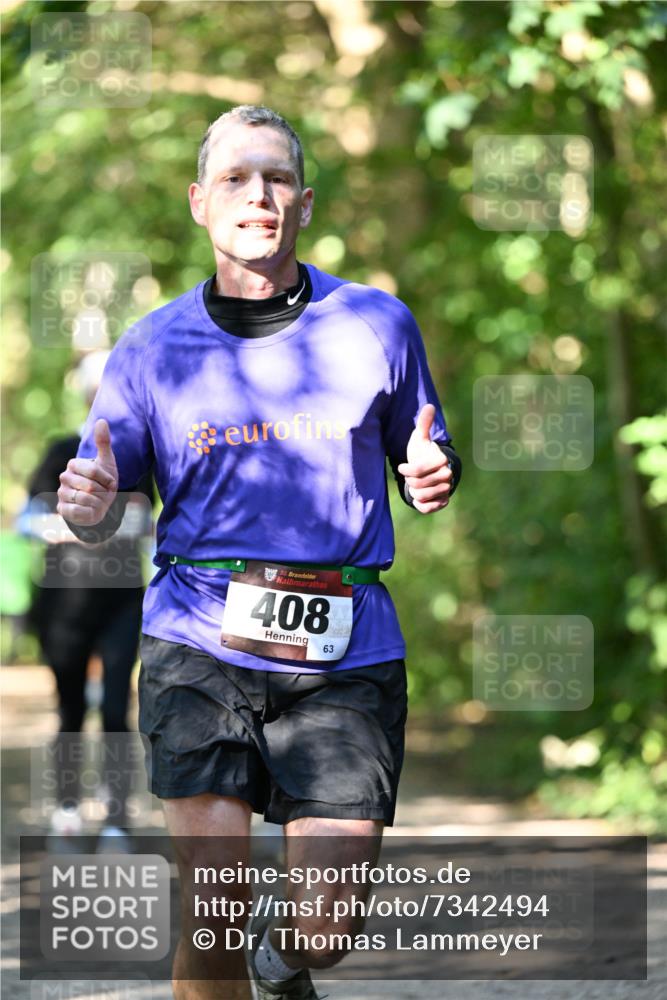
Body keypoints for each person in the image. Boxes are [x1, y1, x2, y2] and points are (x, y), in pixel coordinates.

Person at [57, 106, 461, 1000]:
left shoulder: (376, 325)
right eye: (236, 178)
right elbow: (104, 497)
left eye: (276, 178)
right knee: (212, 906)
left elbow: (421, 453)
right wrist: (88, 508)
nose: (258, 195)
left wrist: (433, 474)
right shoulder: (151, 346)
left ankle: (283, 966)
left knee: (325, 926)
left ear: (304, 203)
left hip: (344, 650)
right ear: (201, 202)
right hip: (199, 639)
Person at [23, 351, 153, 848]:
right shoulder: (60, 451)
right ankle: (68, 807)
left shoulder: (138, 454)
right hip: (63, 608)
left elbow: (147, 520)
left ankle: (118, 816)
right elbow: (27, 521)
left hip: (123, 602)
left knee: (120, 711)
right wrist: (80, 529)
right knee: (71, 711)